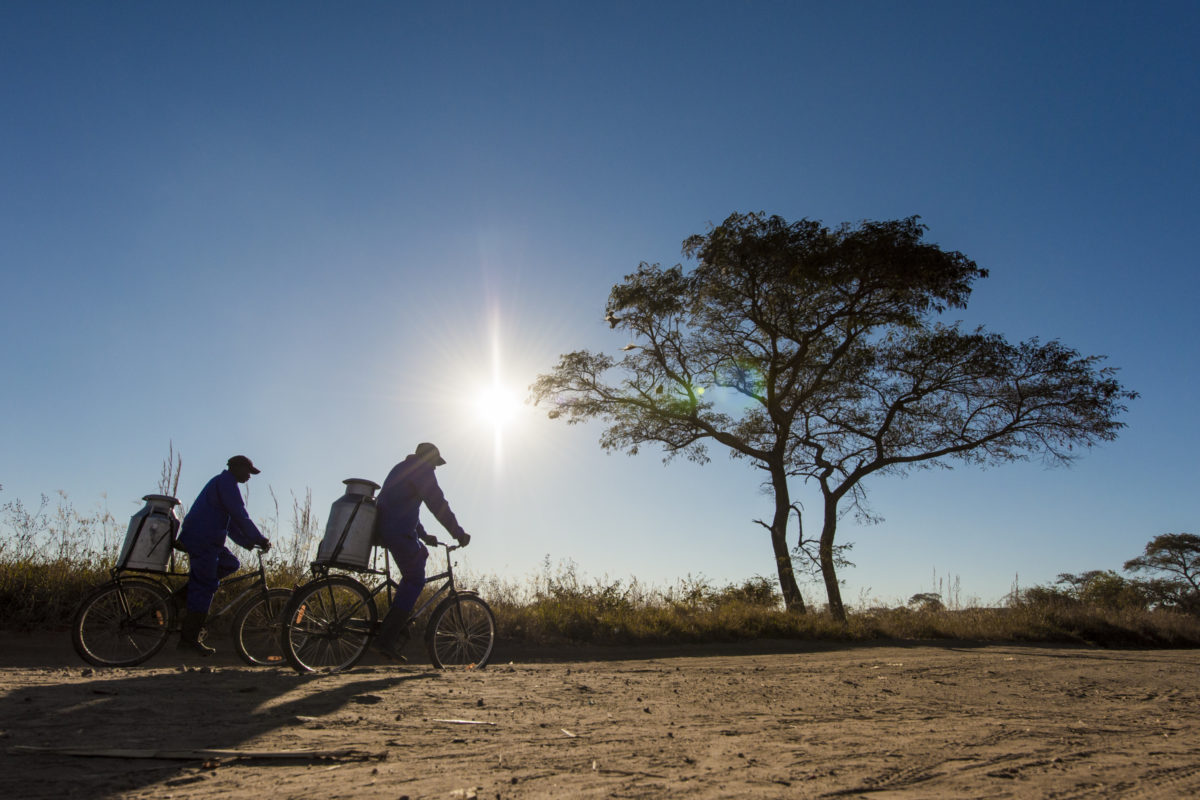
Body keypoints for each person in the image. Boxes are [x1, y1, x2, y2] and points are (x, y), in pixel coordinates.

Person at [373, 442, 470, 660]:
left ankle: (398, 622)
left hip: (390, 528)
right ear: (429, 459)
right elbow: (438, 504)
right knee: (416, 578)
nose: (435, 468)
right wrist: (459, 533)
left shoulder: (403, 468)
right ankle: (387, 636)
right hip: (397, 531)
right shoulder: (422, 470)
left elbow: (403, 507)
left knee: (421, 556)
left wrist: (424, 536)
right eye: (435, 463)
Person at [175, 455, 271, 656]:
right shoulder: (226, 483)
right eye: (248, 472)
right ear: (236, 467)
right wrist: (260, 538)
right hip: (202, 539)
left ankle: (183, 596)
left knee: (231, 563)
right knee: (206, 585)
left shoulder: (224, 483)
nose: (249, 477)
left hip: (210, 540)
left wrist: (248, 542)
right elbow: (240, 514)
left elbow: (231, 525)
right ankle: (189, 638)